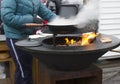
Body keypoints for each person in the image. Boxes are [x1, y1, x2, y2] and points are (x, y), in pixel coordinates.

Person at [1, 0, 56, 84]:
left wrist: (62, 22)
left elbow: (47, 14)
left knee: (26, 69)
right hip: (15, 37)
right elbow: (7, 18)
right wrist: (31, 19)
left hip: (28, 38)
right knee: (23, 70)